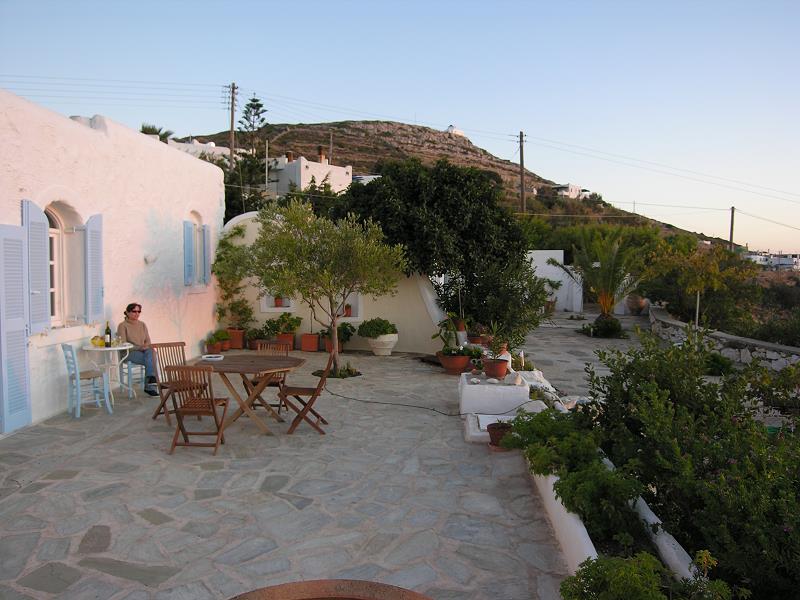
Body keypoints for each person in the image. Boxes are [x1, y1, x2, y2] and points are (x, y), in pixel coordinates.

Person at [117, 303, 158, 396]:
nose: (137, 313)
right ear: (127, 312)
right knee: (152, 358)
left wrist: (145, 346)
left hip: (144, 351)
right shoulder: (122, 325)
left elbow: (148, 340)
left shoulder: (142, 324)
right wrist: (139, 347)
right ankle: (151, 384)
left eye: (139, 311)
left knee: (152, 353)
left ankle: (150, 382)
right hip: (128, 353)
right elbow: (123, 344)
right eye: (134, 311)